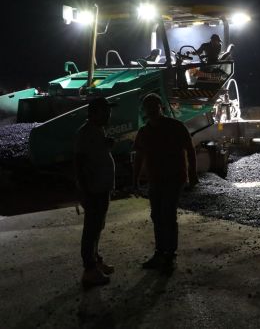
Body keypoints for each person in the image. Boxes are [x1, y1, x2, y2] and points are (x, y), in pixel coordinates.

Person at [133, 93, 198, 275]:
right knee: (157, 216)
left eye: (154, 106)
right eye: (149, 107)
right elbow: (138, 157)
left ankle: (168, 254)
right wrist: (135, 179)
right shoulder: (145, 132)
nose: (152, 110)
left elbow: (190, 150)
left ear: (160, 107)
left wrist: (192, 174)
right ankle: (161, 252)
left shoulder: (175, 126)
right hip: (156, 180)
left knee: (167, 215)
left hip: (174, 179)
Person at [74, 97, 117, 288]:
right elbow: (79, 163)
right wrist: (84, 191)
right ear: (95, 112)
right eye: (105, 111)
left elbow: (95, 156)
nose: (109, 114)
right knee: (91, 229)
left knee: (97, 226)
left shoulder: (98, 131)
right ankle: (89, 270)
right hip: (94, 190)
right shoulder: (85, 132)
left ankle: (95, 259)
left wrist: (106, 146)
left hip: (101, 188)